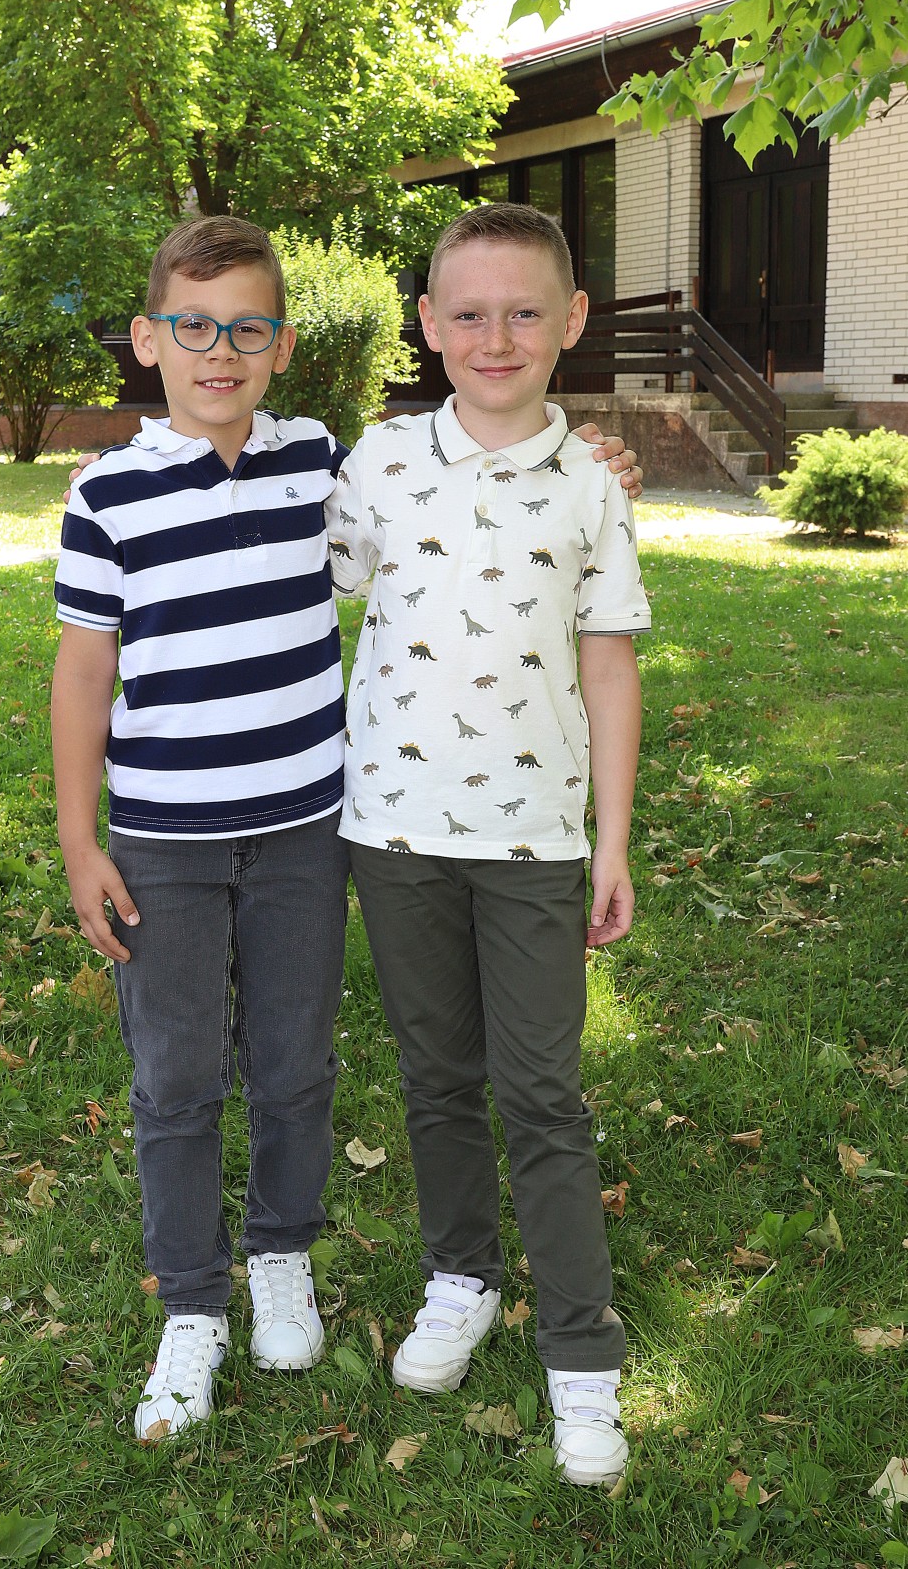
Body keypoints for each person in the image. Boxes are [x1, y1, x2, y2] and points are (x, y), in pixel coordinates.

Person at [54, 214, 643, 1443]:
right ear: (148, 338)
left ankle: (332, 1270)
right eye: (193, 327)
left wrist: (591, 461)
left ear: (281, 345)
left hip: (362, 832)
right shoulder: (186, 484)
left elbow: (533, 569)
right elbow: (103, 657)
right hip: (251, 833)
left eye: (247, 329)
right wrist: (79, 832)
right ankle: (232, 1298)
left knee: (354, 1069)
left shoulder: (337, 459)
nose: (220, 351)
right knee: (213, 1074)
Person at [330, 202, 650, 1490]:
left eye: (523, 311)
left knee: (541, 1094)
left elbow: (608, 664)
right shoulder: (379, 461)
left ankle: (580, 1350)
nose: (495, 336)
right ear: (427, 324)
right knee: (435, 1077)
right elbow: (305, 576)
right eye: (467, 312)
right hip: (390, 829)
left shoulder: (591, 482)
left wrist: (610, 842)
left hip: (534, 844)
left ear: (571, 319)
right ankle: (459, 1275)